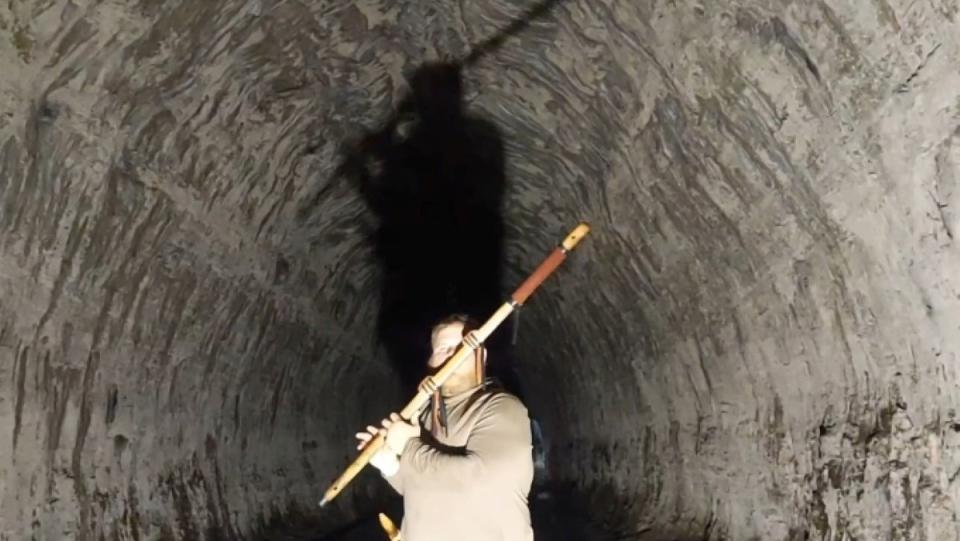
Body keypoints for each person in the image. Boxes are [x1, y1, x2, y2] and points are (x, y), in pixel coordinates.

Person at [356, 314, 535, 541]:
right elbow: (425, 485)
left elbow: (479, 481)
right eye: (442, 349)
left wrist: (409, 446)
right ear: (431, 361)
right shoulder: (426, 416)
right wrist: (390, 465)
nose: (452, 355)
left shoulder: (503, 408)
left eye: (461, 347)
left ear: (482, 355)